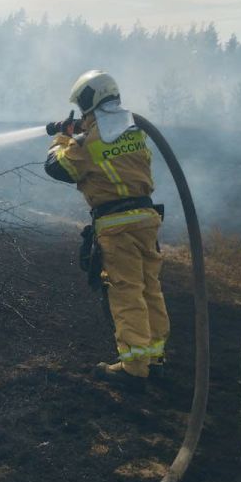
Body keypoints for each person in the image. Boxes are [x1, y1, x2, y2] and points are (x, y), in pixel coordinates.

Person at [44, 70, 169, 390]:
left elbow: (58, 168)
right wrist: (79, 133)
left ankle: (134, 367)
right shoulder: (132, 130)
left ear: (91, 99)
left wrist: (61, 138)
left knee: (125, 291)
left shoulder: (90, 140)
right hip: (146, 217)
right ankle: (154, 357)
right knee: (148, 287)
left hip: (117, 223)